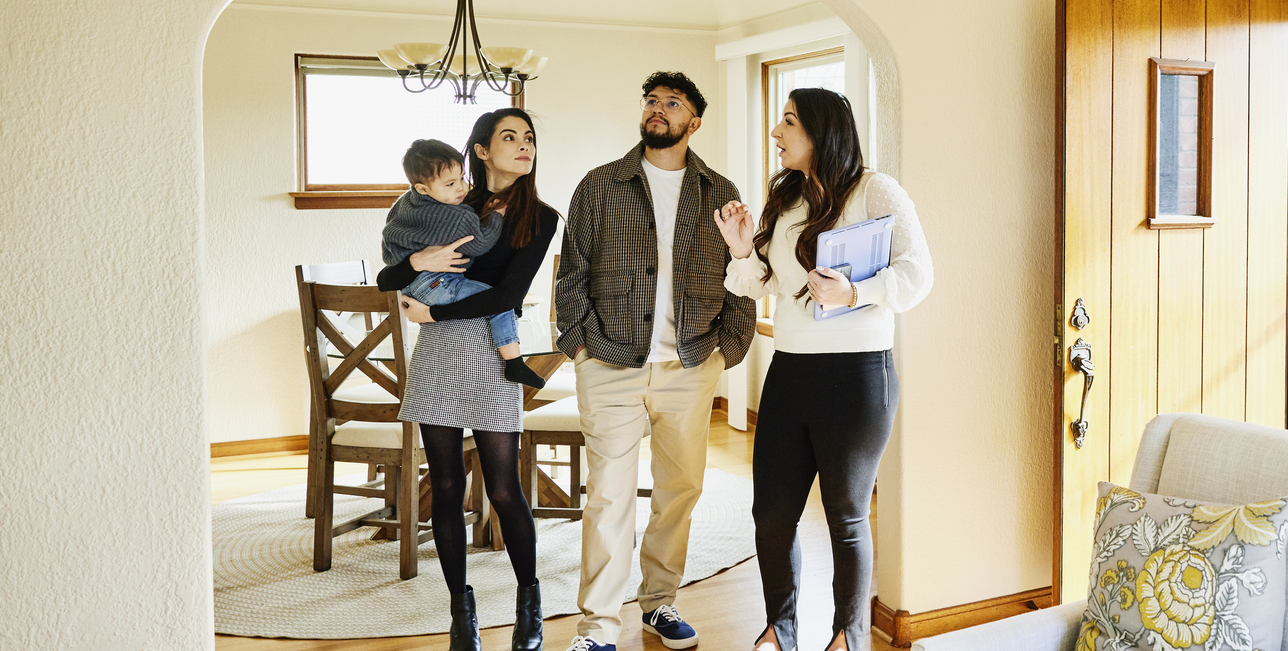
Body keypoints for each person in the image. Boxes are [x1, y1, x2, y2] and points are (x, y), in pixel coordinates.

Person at [714, 88, 934, 651]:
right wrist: (742, 249)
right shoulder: (784, 197)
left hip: (858, 376)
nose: (775, 132)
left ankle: (848, 637)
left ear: (822, 130)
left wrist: (855, 291)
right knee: (772, 512)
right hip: (790, 371)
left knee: (846, 515)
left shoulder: (875, 190)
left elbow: (918, 275)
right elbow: (764, 285)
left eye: (787, 121)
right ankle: (780, 630)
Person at [556, 71, 757, 651]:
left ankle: (660, 604)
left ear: (694, 122)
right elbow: (571, 273)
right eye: (651, 101)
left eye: (672, 104)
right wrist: (583, 342)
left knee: (680, 491)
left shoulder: (719, 191)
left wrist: (727, 347)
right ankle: (597, 627)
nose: (657, 110)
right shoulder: (600, 185)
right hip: (611, 362)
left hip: (691, 366)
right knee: (609, 496)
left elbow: (739, 269)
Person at [384, 108, 558, 651]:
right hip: (437, 357)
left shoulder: (542, 216)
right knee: (448, 488)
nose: (523, 145)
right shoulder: (452, 198)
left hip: (489, 350)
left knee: (505, 489)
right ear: (480, 150)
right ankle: (462, 611)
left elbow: (507, 296)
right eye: (509, 137)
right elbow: (389, 276)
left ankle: (530, 604)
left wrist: (433, 313)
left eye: (529, 137)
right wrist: (421, 257)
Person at [383, 138, 547, 389]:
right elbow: (479, 244)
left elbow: (389, 262)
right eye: (451, 183)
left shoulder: (405, 203)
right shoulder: (454, 214)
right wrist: (495, 217)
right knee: (501, 305)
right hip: (438, 288)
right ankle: (514, 363)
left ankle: (514, 364)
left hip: (417, 289)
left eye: (461, 178)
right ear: (482, 151)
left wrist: (414, 265)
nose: (461, 188)